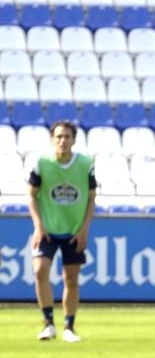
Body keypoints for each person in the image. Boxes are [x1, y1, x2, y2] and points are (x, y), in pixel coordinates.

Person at [28, 120, 97, 343]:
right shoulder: (42, 163)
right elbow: (31, 194)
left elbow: (91, 198)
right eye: (58, 137)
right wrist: (38, 225)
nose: (63, 141)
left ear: (73, 140)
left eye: (67, 136)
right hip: (47, 229)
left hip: (74, 230)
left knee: (71, 279)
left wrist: (84, 229)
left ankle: (69, 326)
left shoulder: (85, 164)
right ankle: (48, 324)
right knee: (40, 270)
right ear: (52, 139)